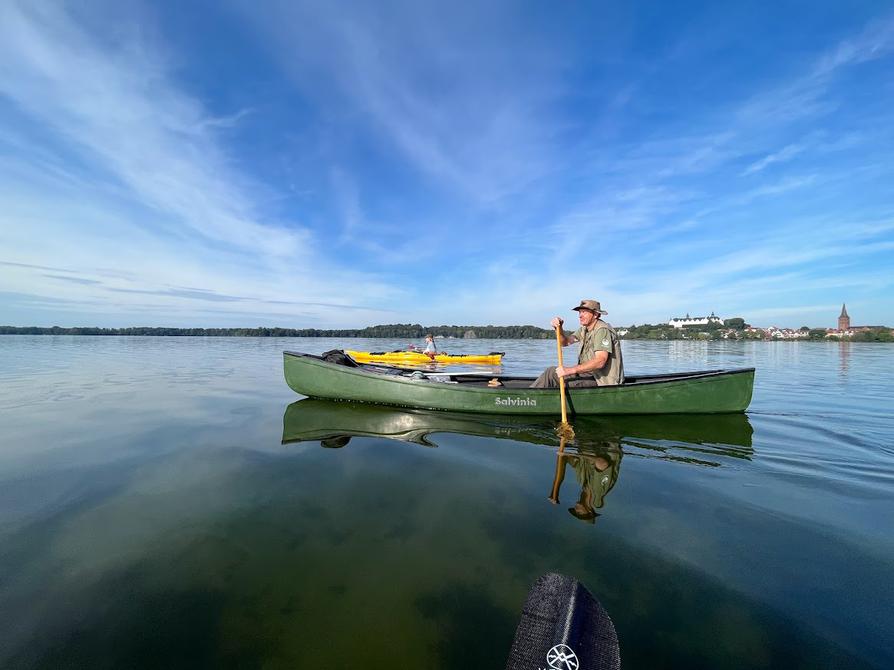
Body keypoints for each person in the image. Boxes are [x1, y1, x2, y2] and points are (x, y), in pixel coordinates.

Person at [531, 299, 624, 388]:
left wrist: (569, 370)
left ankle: (530, 399)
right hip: (587, 374)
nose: (580, 315)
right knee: (551, 372)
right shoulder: (584, 330)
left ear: (595, 314)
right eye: (580, 312)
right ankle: (529, 396)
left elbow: (600, 361)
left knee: (561, 382)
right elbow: (565, 342)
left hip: (601, 380)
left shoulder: (602, 330)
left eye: (584, 312)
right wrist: (558, 328)